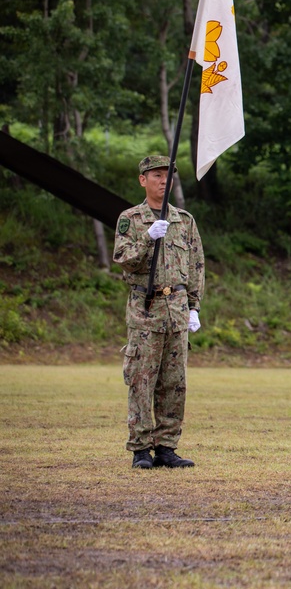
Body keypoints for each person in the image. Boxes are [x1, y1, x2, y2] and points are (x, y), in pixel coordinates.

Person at [113, 155, 205, 470]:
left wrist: (194, 306)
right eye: (156, 175)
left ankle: (166, 446)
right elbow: (124, 259)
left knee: (174, 383)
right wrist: (147, 238)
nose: (163, 181)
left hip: (177, 311)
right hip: (145, 309)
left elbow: (196, 266)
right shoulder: (131, 218)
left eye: (168, 175)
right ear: (143, 180)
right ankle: (141, 449)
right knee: (141, 380)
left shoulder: (185, 220)